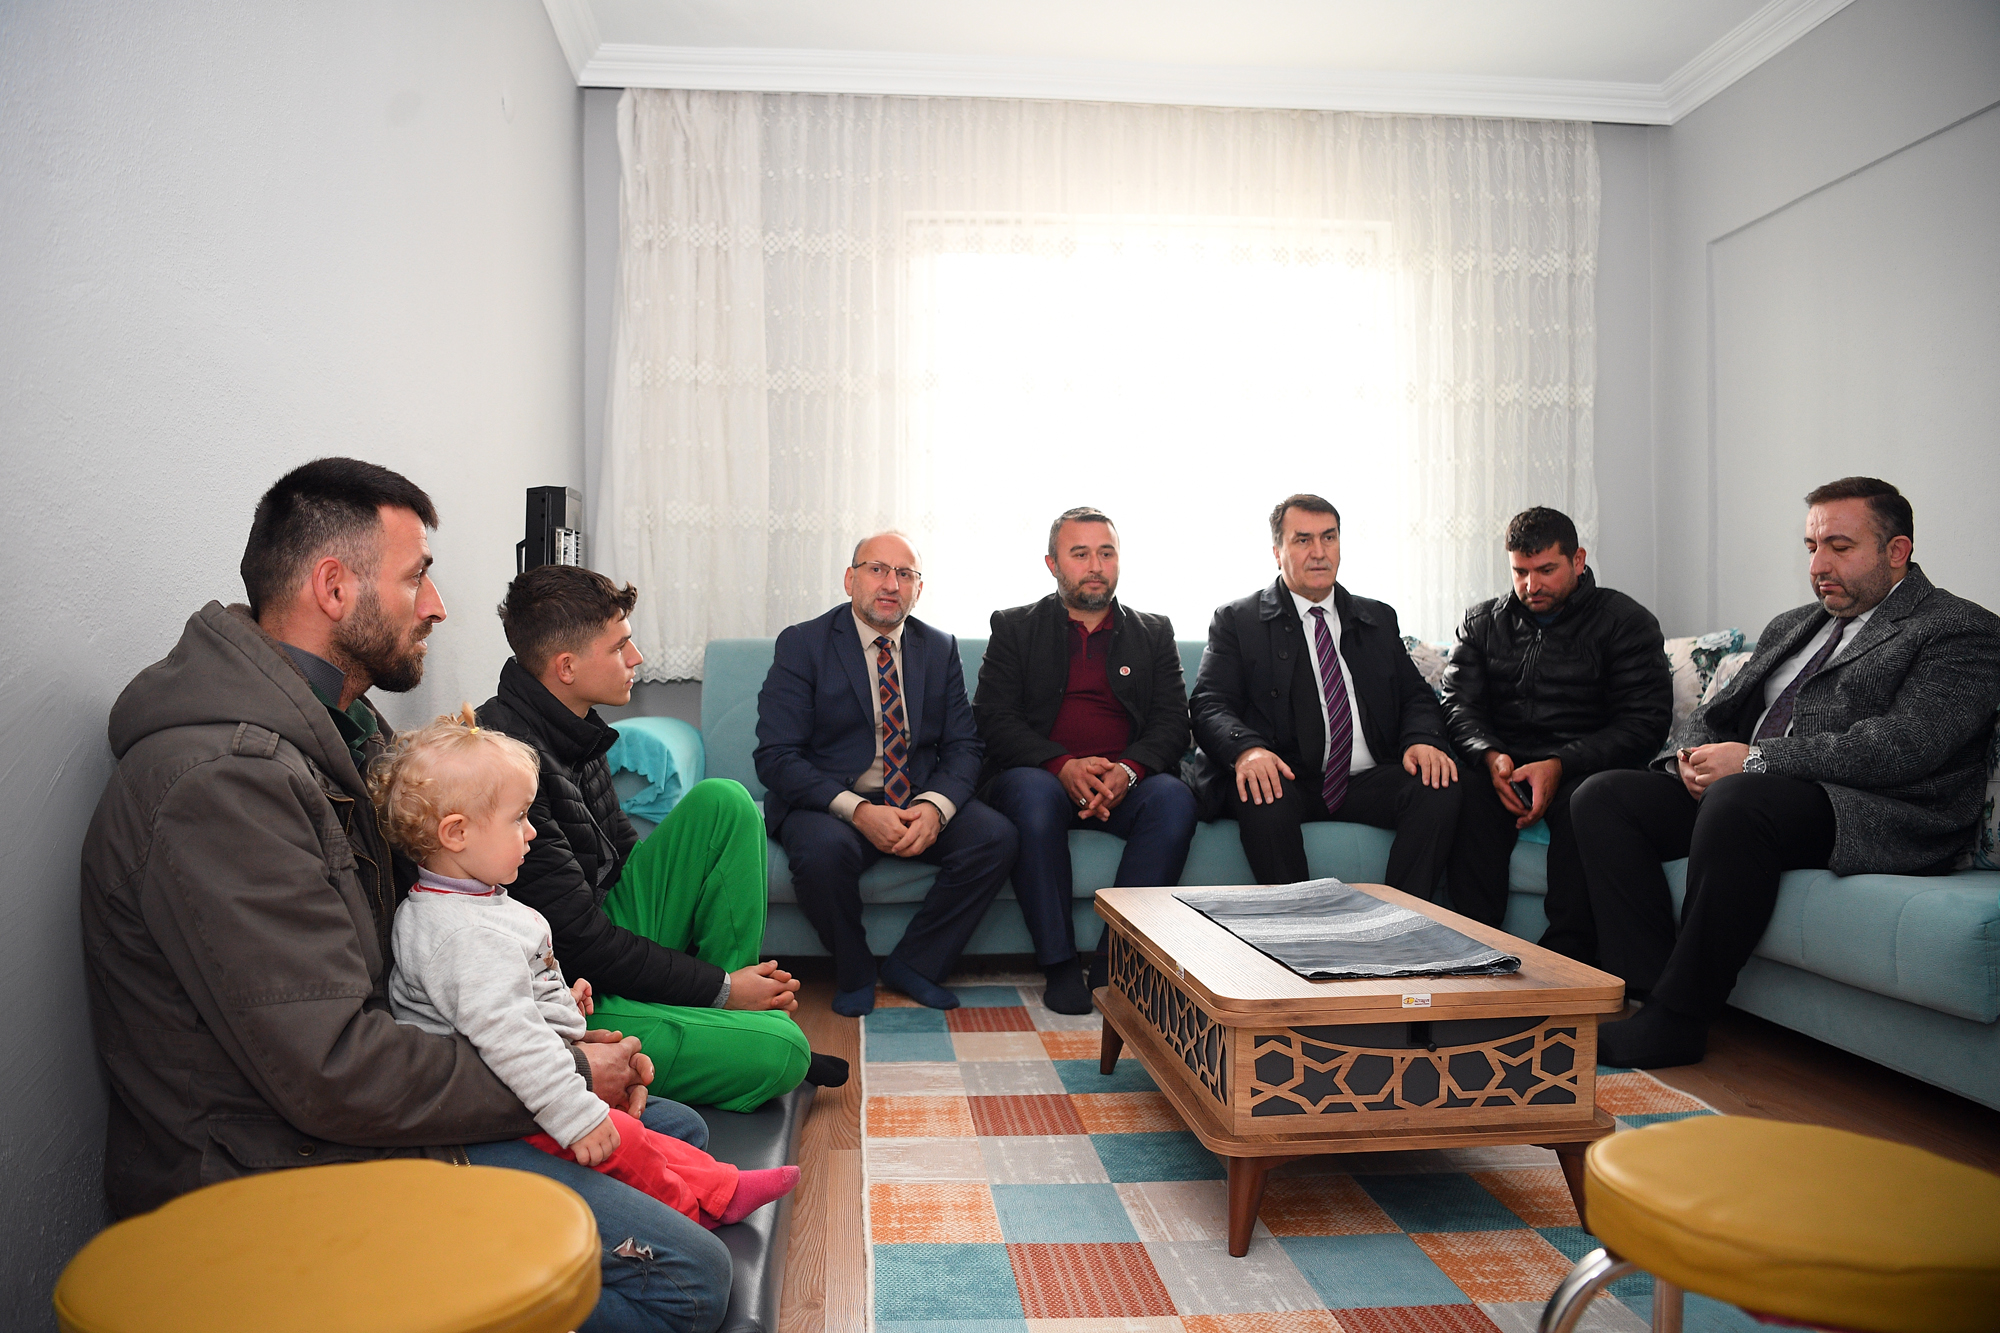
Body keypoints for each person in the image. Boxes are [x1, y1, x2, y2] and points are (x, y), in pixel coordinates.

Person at [80, 458, 733, 1333]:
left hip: (367, 1110)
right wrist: (569, 1075)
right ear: (334, 587)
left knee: (681, 1132)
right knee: (690, 1281)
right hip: (290, 1169)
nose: (438, 605)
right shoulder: (223, 786)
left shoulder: (346, 730)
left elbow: (428, 957)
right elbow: (332, 1072)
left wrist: (548, 1031)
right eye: (416, 576)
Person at [1573, 477, 2000, 1068]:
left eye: (1840, 548)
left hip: (1870, 809)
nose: (1819, 566)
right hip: (1756, 798)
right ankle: (1649, 988)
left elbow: (1905, 747)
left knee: (1740, 801)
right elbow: (1713, 715)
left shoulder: (1958, 628)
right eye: (1811, 547)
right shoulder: (1794, 624)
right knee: (1603, 795)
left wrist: (1755, 761)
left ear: (1896, 551)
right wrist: (1688, 761)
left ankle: (1678, 1021)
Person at [373, 708, 799, 1228]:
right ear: (457, 833)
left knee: (660, 1133)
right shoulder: (464, 935)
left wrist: (558, 1005)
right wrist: (577, 1118)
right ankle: (698, 1211)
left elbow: (492, 1008)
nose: (531, 831)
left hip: (535, 1074)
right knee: (628, 1141)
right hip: (517, 1101)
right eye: (518, 819)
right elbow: (511, 1041)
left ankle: (719, 1186)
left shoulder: (471, 903)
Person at [479, 564, 840, 1112]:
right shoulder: (509, 762)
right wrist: (721, 985)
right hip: (568, 988)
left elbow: (625, 857)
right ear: (566, 666)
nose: (637, 657)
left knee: (726, 801)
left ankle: (724, 1012)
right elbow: (578, 942)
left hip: (605, 932)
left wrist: (713, 980)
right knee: (785, 1050)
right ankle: (731, 1015)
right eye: (619, 646)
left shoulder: (574, 724)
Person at [754, 532, 1017, 1017]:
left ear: (919, 589)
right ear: (850, 579)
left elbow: (964, 746)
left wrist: (934, 807)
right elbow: (776, 756)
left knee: (996, 837)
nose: (891, 584)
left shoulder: (938, 647)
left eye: (905, 574)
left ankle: (915, 965)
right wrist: (858, 812)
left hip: (914, 796)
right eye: (877, 569)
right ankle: (854, 969)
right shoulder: (804, 643)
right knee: (821, 854)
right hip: (831, 802)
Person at [973, 507, 1197, 1013]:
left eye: (1106, 553)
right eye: (1080, 554)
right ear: (1052, 564)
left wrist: (1128, 772)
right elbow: (994, 718)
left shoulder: (1153, 632)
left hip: (1124, 784)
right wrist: (1063, 767)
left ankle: (1114, 962)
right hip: (1043, 779)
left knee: (1175, 799)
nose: (1095, 566)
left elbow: (1172, 723)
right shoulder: (1014, 627)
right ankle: (1057, 965)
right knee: (1032, 795)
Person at [1191, 494, 1462, 893]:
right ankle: (1300, 924)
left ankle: (1401, 916)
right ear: (1277, 552)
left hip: (1367, 777)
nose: (1319, 552)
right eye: (1303, 540)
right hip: (1287, 776)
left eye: (1329, 538)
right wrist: (1247, 750)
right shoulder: (1237, 620)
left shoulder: (1377, 617)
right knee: (1261, 794)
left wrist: (1422, 739)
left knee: (1439, 785)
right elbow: (1209, 703)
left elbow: (1415, 696)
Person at [1440, 507, 1671, 958]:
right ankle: (1472, 949)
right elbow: (1457, 705)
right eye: (1520, 572)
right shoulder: (1482, 623)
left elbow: (1645, 722)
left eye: (1546, 570)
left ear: (1578, 560)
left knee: (1586, 802)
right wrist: (1489, 755)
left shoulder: (1626, 622)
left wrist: (1560, 763)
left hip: (1583, 765)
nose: (1531, 585)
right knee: (1461, 790)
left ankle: (1568, 957)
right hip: (1504, 763)